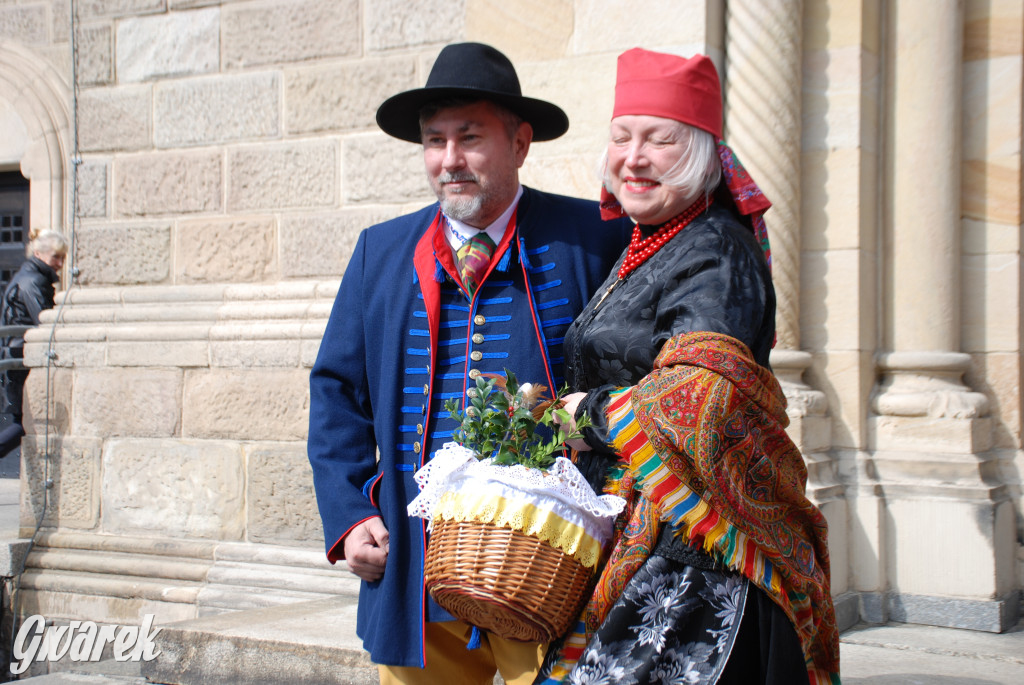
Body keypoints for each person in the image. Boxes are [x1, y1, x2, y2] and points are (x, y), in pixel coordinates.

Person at [307, 42, 631, 685]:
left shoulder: (594, 237)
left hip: (548, 568)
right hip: (414, 568)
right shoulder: (381, 250)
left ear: (520, 141)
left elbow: (632, 378)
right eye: (434, 141)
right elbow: (337, 391)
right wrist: (350, 515)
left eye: (470, 138)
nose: (449, 160)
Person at [534, 49, 840, 684]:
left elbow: (702, 397)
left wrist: (580, 414)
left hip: (693, 554)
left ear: (702, 153)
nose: (634, 157)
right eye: (622, 137)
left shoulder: (715, 250)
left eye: (659, 139)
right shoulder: (654, 242)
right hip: (644, 531)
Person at [0, 230, 67, 457]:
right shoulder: (33, 280)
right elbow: (43, 318)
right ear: (38, 253)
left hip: (18, 354)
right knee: (26, 422)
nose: (59, 263)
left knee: (25, 421)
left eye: (63, 258)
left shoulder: (28, 276)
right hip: (23, 357)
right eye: (55, 256)